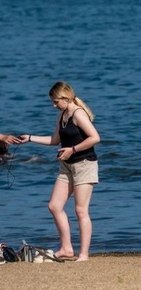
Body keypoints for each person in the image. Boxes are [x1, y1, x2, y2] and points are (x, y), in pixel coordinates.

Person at [19, 81, 100, 262]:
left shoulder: (78, 114)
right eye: (53, 102)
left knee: (81, 210)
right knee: (54, 206)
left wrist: (72, 149)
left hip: (84, 165)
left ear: (65, 98)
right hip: (67, 166)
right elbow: (55, 140)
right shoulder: (62, 115)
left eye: (56, 102)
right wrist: (30, 138)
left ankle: (84, 254)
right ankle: (66, 248)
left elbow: (95, 137)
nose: (53, 105)